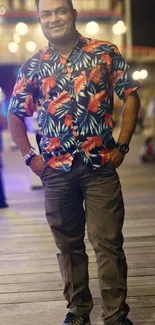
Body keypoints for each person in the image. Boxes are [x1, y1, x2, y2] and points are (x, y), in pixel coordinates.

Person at [7, 0, 140, 324]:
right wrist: (30, 157)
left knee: (108, 242)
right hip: (55, 171)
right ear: (40, 20)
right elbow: (15, 113)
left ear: (73, 13)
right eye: (46, 14)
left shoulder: (104, 52)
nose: (54, 19)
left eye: (60, 11)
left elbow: (130, 95)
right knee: (68, 245)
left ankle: (115, 316)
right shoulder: (34, 65)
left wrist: (122, 146)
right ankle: (78, 310)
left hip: (100, 167)